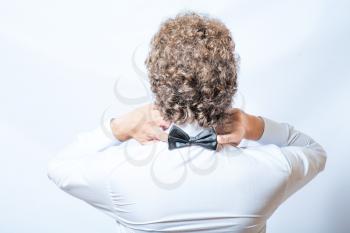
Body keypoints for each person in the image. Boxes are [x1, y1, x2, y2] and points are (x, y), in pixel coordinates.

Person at [48, 13, 327, 233]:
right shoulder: (271, 171)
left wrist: (119, 127)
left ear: (157, 84)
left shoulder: (119, 175)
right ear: (229, 83)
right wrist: (254, 126)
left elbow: (58, 167)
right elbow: (314, 152)